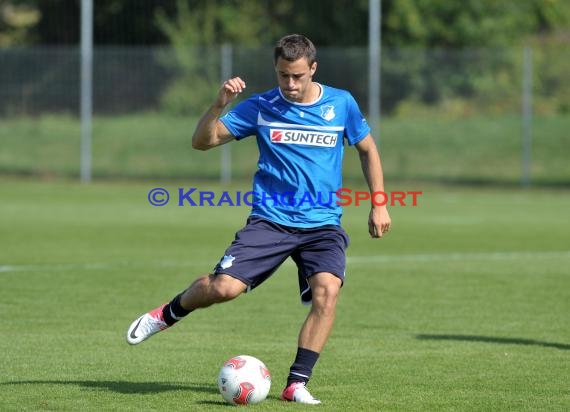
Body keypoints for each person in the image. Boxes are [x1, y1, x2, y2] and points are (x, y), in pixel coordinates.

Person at [126, 34, 391, 405]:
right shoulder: (261, 106)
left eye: (298, 76)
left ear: (313, 69)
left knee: (327, 292)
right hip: (271, 221)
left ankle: (296, 383)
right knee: (223, 289)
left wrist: (379, 202)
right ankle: (167, 313)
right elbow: (202, 142)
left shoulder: (341, 103)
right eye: (283, 75)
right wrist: (218, 105)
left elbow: (367, 149)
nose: (291, 84)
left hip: (322, 224)